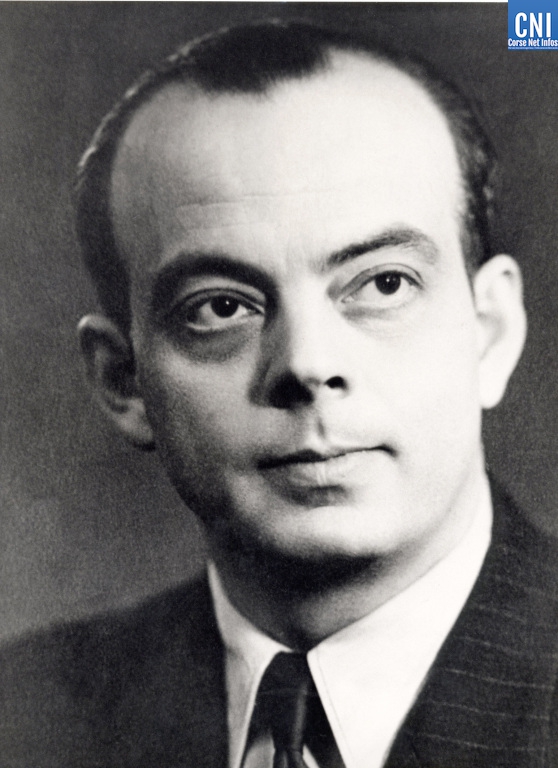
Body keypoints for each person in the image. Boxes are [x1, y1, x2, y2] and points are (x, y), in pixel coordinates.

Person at [1, 19, 557, 768]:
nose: (307, 364)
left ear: (489, 331)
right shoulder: (24, 716)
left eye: (383, 285)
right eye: (222, 306)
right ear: (123, 380)